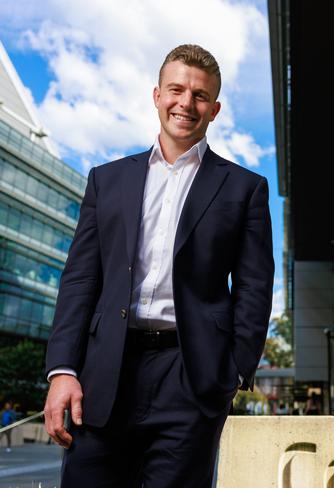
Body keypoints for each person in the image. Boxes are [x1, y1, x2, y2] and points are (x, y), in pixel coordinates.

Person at [43, 44, 274, 487]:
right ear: (156, 95)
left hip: (190, 378)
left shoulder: (245, 189)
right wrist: (63, 370)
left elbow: (254, 288)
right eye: (176, 90)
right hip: (102, 374)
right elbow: (79, 280)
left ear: (215, 109)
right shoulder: (106, 181)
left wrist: (234, 372)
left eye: (200, 96)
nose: (186, 103)